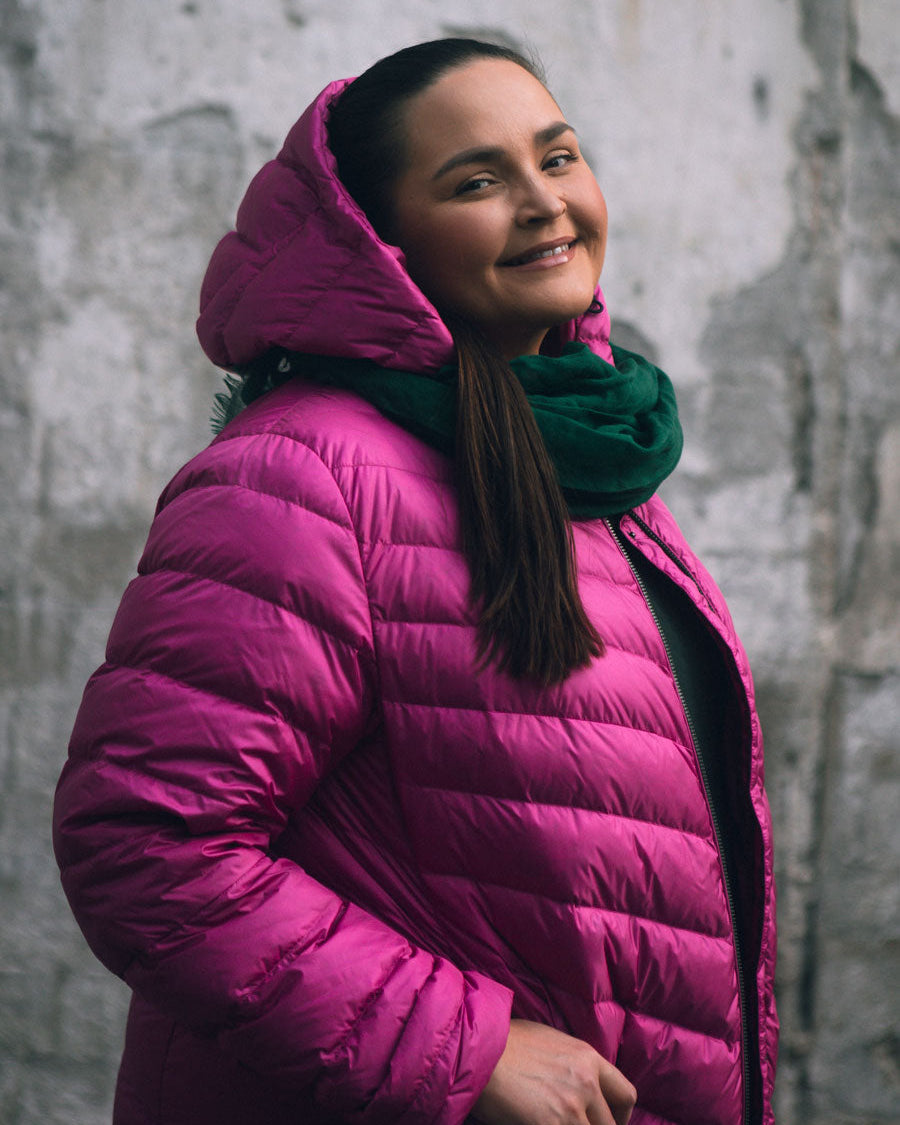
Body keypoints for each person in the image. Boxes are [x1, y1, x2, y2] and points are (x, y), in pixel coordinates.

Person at [53, 37, 778, 1125]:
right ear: (378, 243)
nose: (545, 202)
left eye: (559, 157)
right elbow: (147, 845)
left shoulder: (587, 453)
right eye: (477, 182)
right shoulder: (297, 479)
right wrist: (462, 1049)